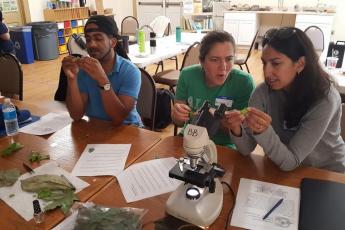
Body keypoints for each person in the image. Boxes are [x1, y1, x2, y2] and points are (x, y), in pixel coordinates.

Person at [228, 27, 345, 172]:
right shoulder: (262, 93)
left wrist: (264, 131)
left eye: (276, 63)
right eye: (264, 63)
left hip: (327, 172)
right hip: (280, 166)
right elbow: (246, 149)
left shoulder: (325, 99)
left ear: (300, 64)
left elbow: (291, 161)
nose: (267, 72)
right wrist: (236, 129)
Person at [172, 30, 255, 148]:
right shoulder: (187, 75)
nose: (223, 67)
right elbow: (178, 122)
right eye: (215, 60)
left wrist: (223, 123)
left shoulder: (244, 83)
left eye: (229, 59)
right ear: (201, 61)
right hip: (190, 140)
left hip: (225, 146)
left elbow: (246, 139)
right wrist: (176, 115)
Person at [62, 15, 142, 126]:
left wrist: (102, 79)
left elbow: (118, 118)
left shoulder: (130, 72)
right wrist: (72, 79)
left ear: (113, 43)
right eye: (88, 39)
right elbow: (76, 115)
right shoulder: (84, 70)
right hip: (96, 128)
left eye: (98, 39)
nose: (91, 44)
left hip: (127, 130)